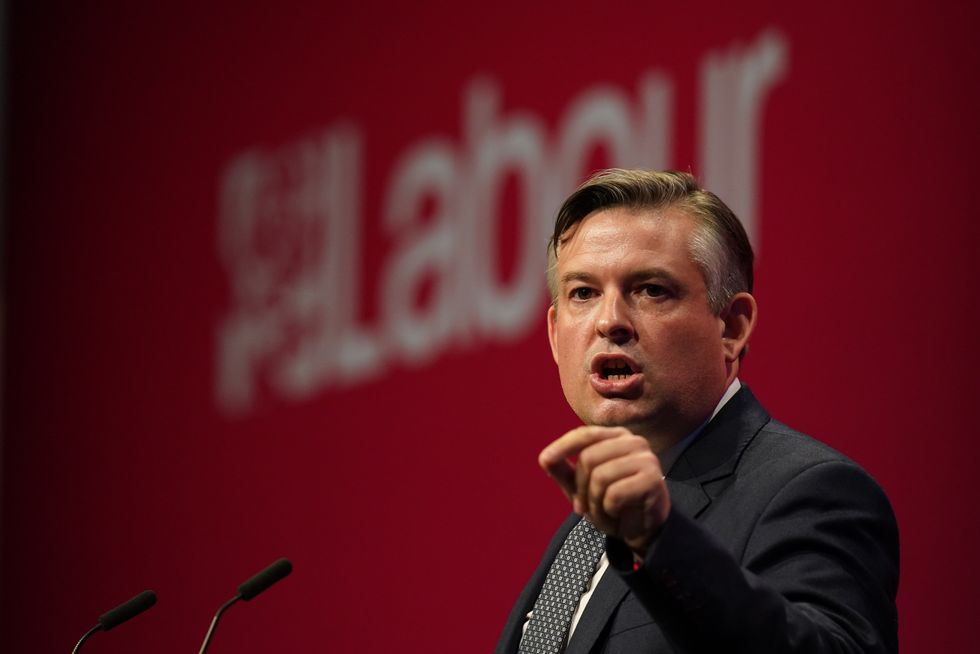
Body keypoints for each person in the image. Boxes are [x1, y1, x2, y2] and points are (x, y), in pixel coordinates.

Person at [495, 169, 899, 654]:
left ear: (731, 327)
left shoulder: (810, 491)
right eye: (583, 293)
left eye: (650, 289)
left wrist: (660, 541)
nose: (609, 321)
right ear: (554, 334)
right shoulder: (584, 533)